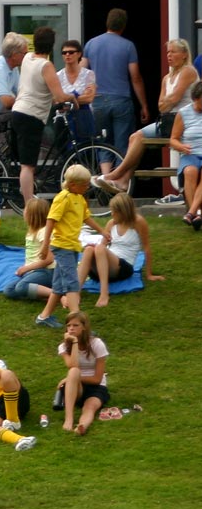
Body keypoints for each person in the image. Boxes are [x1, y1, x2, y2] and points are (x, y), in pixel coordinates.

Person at [96, 39, 199, 197]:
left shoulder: (188, 71)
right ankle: (123, 180)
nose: (169, 55)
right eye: (168, 52)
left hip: (184, 122)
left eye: (173, 52)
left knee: (139, 137)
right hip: (166, 121)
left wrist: (168, 102)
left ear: (184, 55)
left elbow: (174, 99)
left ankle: (115, 174)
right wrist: (168, 102)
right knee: (135, 136)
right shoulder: (167, 78)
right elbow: (161, 106)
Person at [35, 163, 104, 328]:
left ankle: (44, 317)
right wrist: (45, 246)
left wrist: (102, 231)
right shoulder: (63, 198)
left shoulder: (79, 199)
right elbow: (51, 220)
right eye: (84, 185)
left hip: (72, 246)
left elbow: (86, 218)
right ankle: (77, 323)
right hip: (62, 246)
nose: (87, 187)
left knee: (59, 285)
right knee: (72, 283)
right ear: (73, 184)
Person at [7, 26, 68, 205]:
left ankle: (27, 192)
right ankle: (28, 205)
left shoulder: (27, 58)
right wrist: (73, 97)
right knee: (28, 165)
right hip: (31, 116)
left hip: (18, 110)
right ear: (52, 46)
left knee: (25, 163)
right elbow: (59, 96)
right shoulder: (46, 66)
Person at [83, 8, 149, 172]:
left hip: (97, 101)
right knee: (122, 143)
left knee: (103, 143)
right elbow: (135, 77)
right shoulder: (128, 46)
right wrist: (144, 105)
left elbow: (81, 72)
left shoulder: (91, 44)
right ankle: (120, 184)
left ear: (107, 23)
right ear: (123, 25)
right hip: (121, 100)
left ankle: (105, 178)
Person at [79, 193, 161, 307]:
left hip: (123, 268)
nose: (112, 214)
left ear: (123, 211)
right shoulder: (111, 223)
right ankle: (76, 292)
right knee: (88, 249)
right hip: (104, 268)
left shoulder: (138, 222)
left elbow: (146, 248)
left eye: (114, 211)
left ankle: (104, 293)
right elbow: (102, 245)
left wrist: (149, 274)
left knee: (99, 248)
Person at [57, 312, 110, 435]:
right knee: (74, 371)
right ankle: (68, 419)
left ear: (84, 327)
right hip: (76, 388)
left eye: (75, 325)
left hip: (97, 386)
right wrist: (74, 343)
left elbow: (97, 379)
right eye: (68, 325)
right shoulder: (63, 346)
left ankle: (82, 426)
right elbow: (72, 366)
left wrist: (68, 379)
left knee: (90, 407)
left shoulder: (97, 344)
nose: (71, 328)